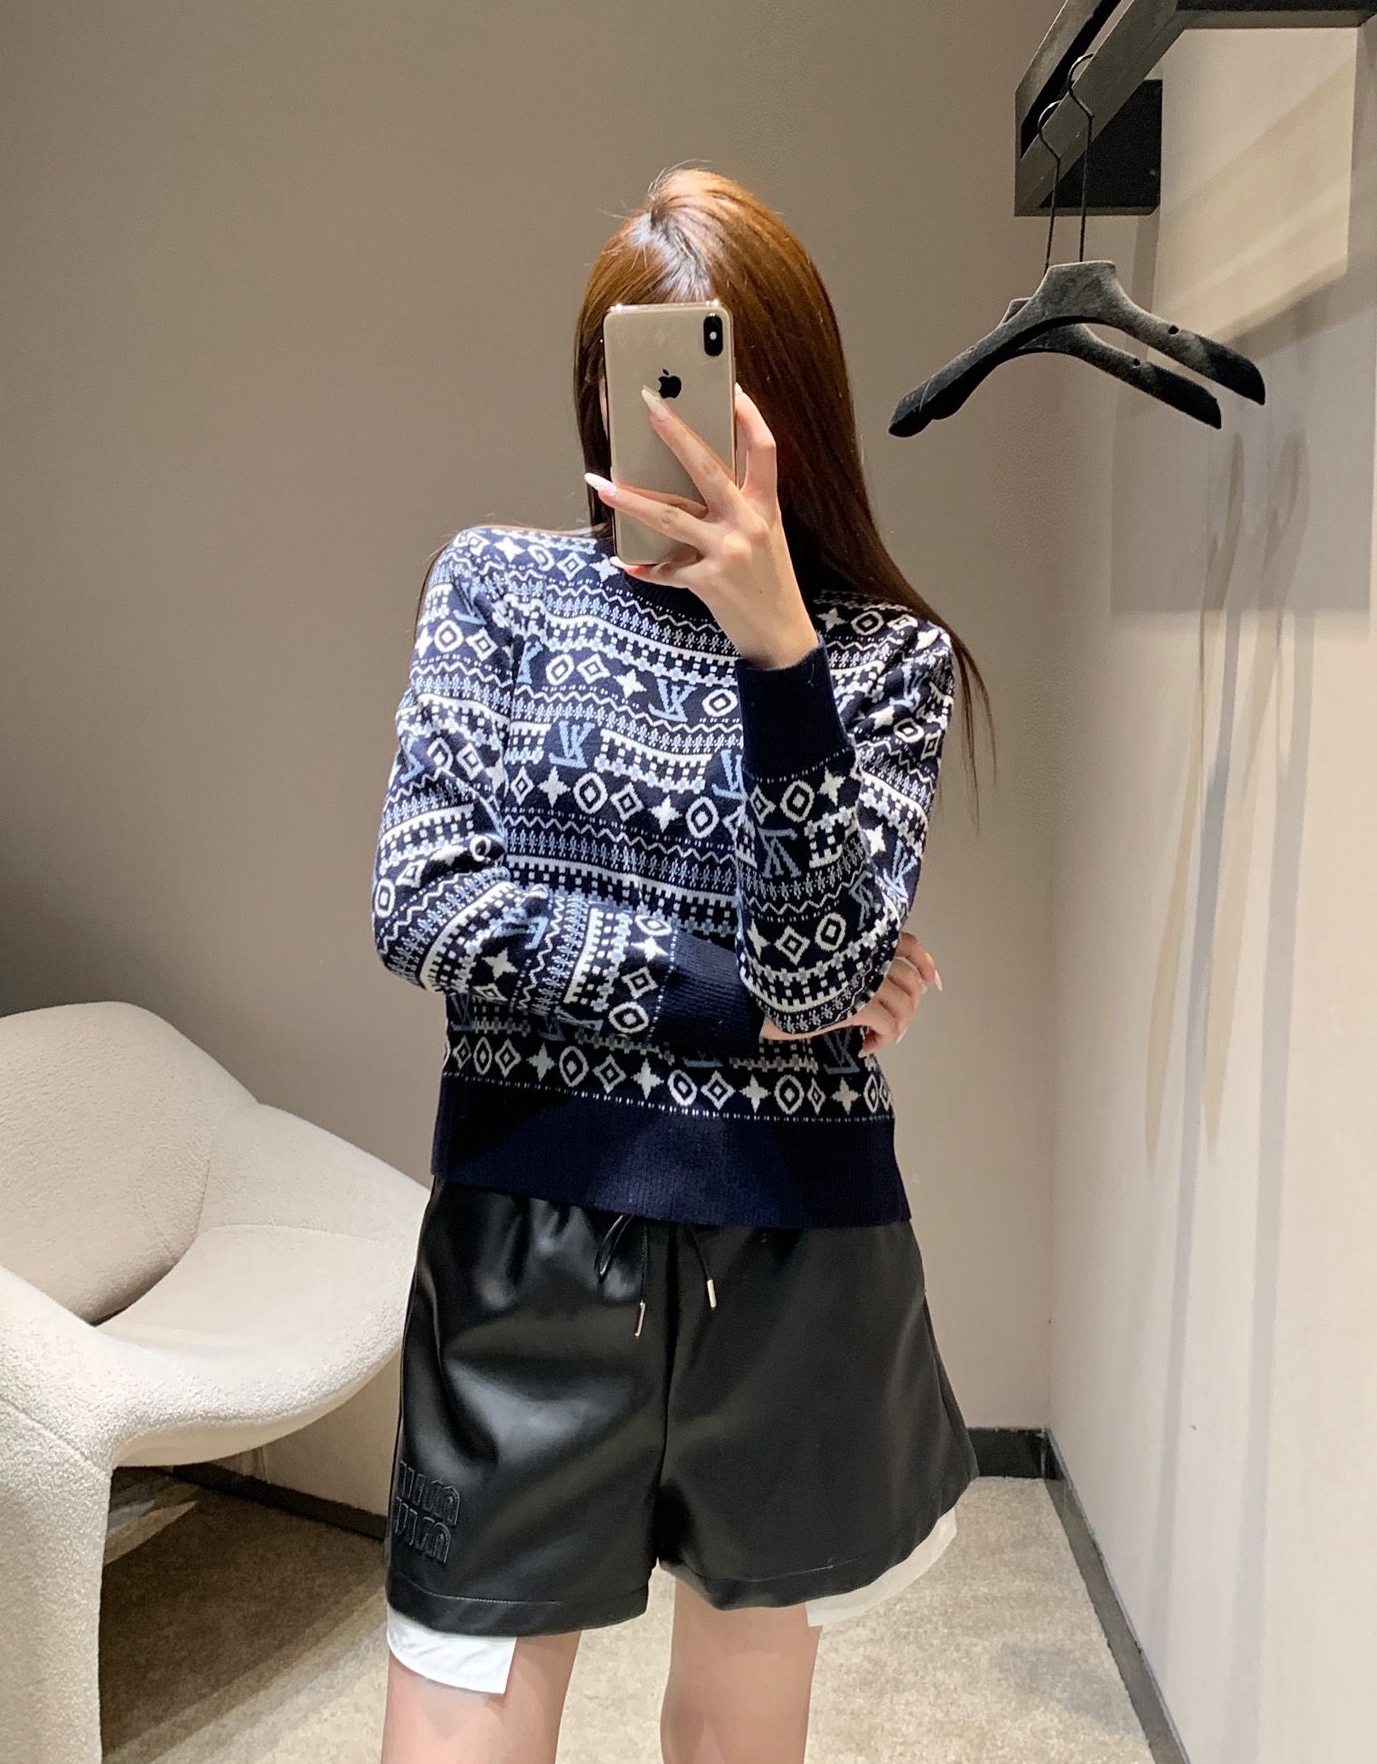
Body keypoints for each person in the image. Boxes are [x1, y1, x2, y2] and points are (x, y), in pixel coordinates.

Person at [370, 165, 992, 1764]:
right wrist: (733, 999)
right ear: (596, 388)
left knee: (739, 1715)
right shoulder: (495, 590)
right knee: (456, 1709)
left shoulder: (885, 661)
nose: (671, 426)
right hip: (527, 1239)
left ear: (792, 415)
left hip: (794, 1253)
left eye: (714, 389)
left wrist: (783, 653)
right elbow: (425, 903)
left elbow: (824, 967)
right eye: (635, 378)